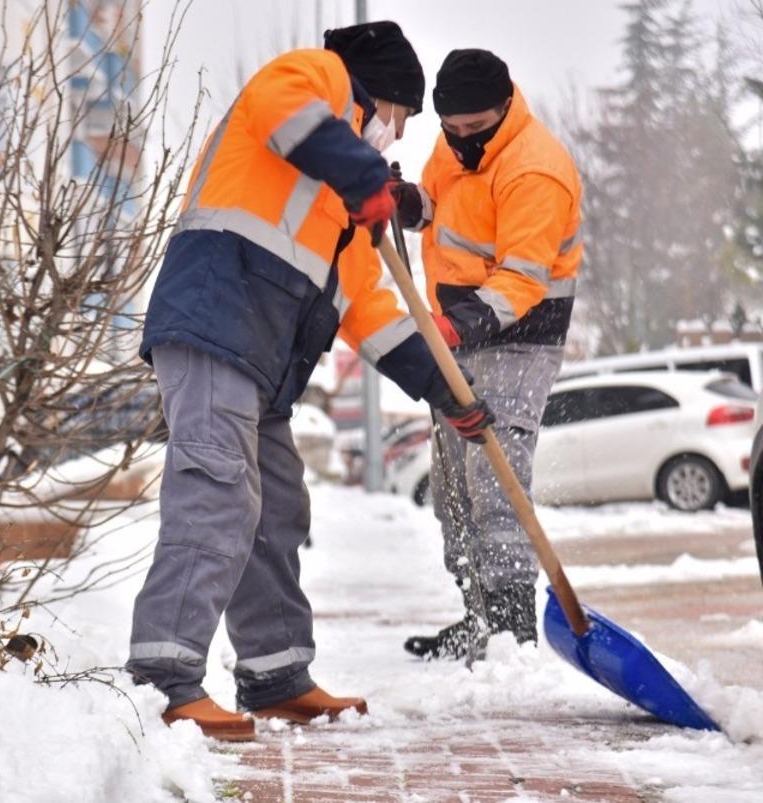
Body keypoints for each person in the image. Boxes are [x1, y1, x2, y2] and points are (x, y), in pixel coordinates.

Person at [126, 22, 495, 742]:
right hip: (213, 322)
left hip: (259, 359)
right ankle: (162, 679)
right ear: (380, 100)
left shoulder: (336, 208)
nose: (393, 137)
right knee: (216, 491)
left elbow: (373, 311)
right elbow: (283, 109)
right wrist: (364, 173)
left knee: (276, 509)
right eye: (398, 121)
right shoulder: (316, 75)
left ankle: (276, 672)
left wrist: (443, 388)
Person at [392, 49, 583, 660]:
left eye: (477, 129)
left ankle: (511, 626)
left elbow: (524, 279)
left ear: (505, 106)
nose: (464, 141)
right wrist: (407, 204)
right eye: (454, 129)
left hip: (520, 334)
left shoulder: (536, 170)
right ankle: (477, 612)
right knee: (453, 485)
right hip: (460, 330)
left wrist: (461, 323)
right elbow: (440, 208)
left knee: (494, 479)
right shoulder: (452, 145)